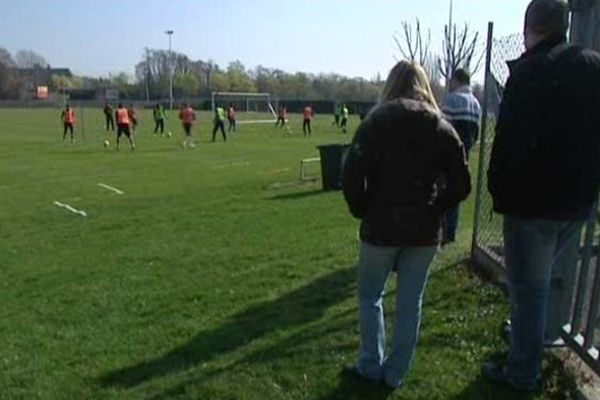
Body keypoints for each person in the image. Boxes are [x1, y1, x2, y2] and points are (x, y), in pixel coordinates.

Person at [483, 0, 600, 392]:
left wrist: (499, 188)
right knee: (547, 280)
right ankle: (531, 340)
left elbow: (509, 142)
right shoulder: (593, 68)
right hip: (578, 200)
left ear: (530, 27)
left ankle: (522, 370)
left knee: (528, 292)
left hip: (533, 203)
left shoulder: (530, 71)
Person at [342, 61, 471, 389]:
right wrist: (437, 207)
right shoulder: (441, 127)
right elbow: (462, 184)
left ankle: (370, 364)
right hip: (424, 229)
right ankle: (395, 372)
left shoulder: (375, 122)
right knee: (410, 301)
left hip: (381, 225)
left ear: (391, 84)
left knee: (371, 295)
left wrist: (363, 209)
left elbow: (351, 175)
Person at [441, 69, 482, 244]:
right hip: (465, 151)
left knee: (442, 190)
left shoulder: (452, 99)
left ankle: (441, 231)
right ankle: (451, 232)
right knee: (456, 191)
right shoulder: (476, 104)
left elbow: (442, 126)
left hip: (447, 151)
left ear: (457, 80)